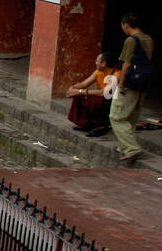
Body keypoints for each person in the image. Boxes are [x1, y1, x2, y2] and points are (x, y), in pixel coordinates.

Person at [110, 12, 155, 166]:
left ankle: (131, 148)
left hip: (131, 82)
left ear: (126, 25)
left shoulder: (131, 40)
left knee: (116, 116)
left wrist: (121, 82)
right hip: (143, 82)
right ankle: (124, 146)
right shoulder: (149, 39)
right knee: (131, 116)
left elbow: (127, 63)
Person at [66, 53, 121, 135]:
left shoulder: (116, 74)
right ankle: (87, 123)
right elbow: (84, 84)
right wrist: (72, 88)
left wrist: (79, 91)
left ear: (103, 63)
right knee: (79, 97)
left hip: (111, 100)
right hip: (101, 96)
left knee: (98, 101)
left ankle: (101, 126)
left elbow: (104, 93)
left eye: (97, 61)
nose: (95, 63)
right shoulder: (98, 72)